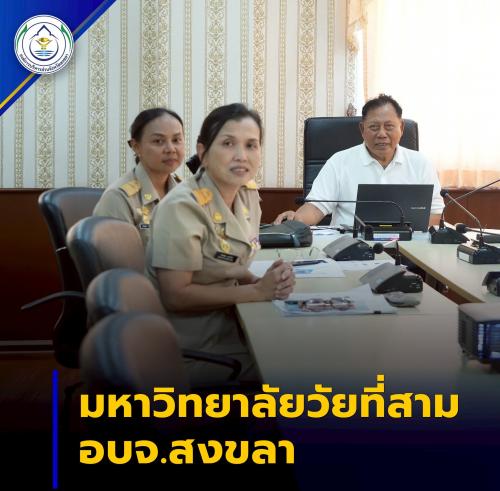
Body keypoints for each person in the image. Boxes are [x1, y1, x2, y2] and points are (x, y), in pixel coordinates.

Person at [145, 103, 295, 385]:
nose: (241, 156)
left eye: (251, 145)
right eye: (228, 144)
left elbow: (227, 262)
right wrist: (258, 291)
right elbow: (175, 296)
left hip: (233, 325)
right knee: (299, 368)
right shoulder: (182, 207)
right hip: (194, 347)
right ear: (203, 152)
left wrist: (261, 280)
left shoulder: (247, 194)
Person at [274, 94, 444, 227]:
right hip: (350, 248)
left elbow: (435, 213)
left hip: (407, 248)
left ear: (402, 128)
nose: (382, 134)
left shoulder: (421, 164)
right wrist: (296, 219)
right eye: (374, 127)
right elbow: (317, 206)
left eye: (389, 126)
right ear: (362, 129)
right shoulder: (339, 162)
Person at [93, 108, 185, 246]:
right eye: (158, 141)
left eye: (176, 140)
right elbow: (118, 256)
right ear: (136, 147)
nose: (171, 149)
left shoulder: (186, 191)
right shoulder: (118, 198)